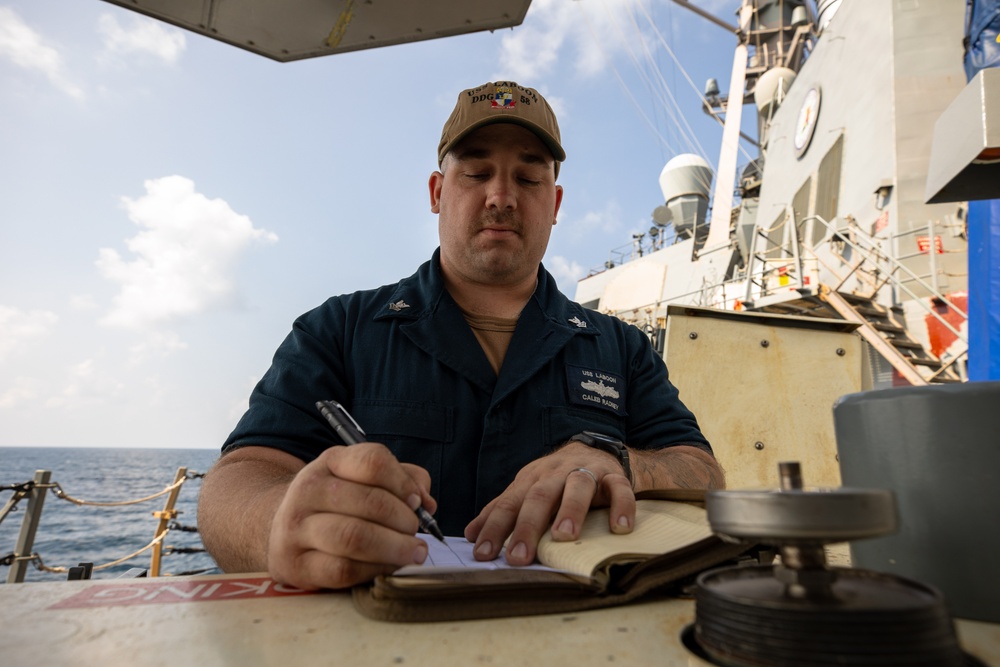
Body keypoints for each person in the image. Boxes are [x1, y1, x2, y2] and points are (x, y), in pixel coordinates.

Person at [197, 80, 723, 591]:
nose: (502, 196)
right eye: (475, 171)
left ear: (556, 204)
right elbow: (240, 477)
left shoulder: (623, 348)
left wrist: (620, 461)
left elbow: (704, 474)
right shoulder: (337, 330)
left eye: (528, 178)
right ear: (437, 191)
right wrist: (280, 523)